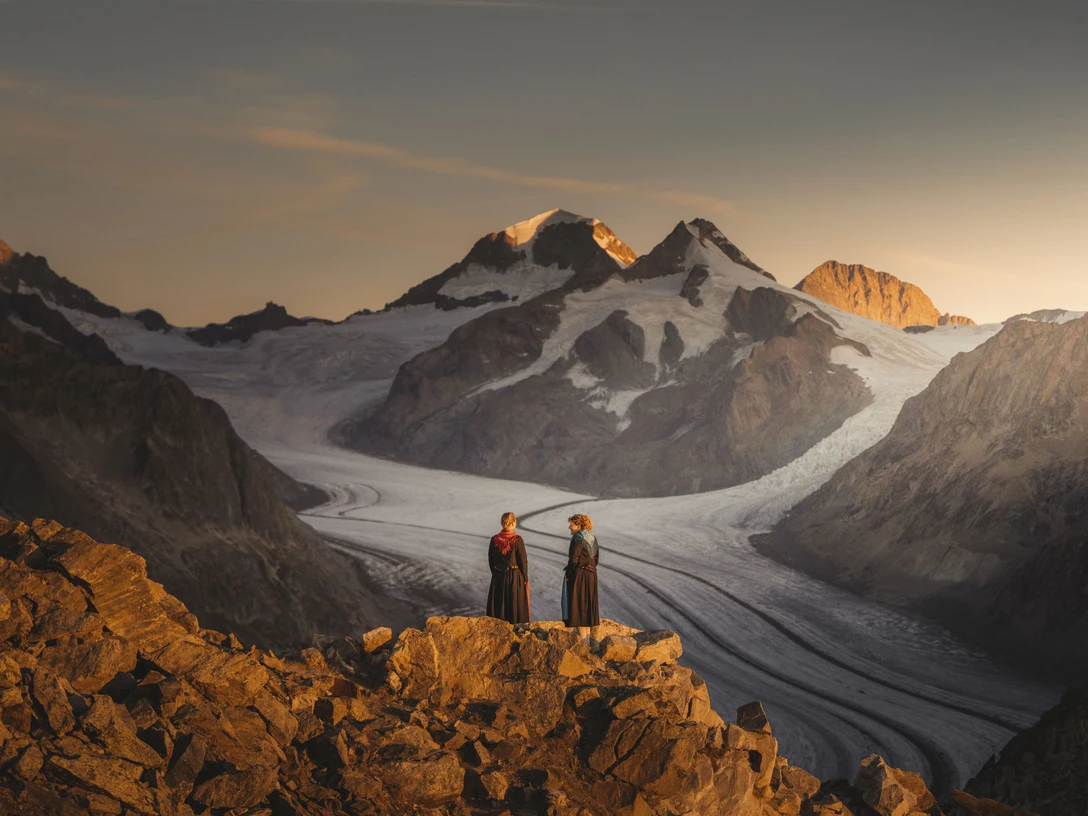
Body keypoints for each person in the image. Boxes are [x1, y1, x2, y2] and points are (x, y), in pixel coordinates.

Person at [486, 511, 530, 624]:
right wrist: (525, 579)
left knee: (499, 606)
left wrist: (496, 574)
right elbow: (523, 561)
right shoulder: (517, 539)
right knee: (514, 606)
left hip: (498, 576)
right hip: (514, 577)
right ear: (513, 522)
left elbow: (491, 560)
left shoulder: (494, 539)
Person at [564, 513, 599, 646]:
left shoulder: (577, 538)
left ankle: (584, 646)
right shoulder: (593, 539)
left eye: (571, 525)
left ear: (579, 526)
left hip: (579, 576)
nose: (569, 527)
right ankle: (587, 643)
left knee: (578, 609)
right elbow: (596, 560)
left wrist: (569, 574)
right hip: (591, 576)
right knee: (586, 610)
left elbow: (573, 559)